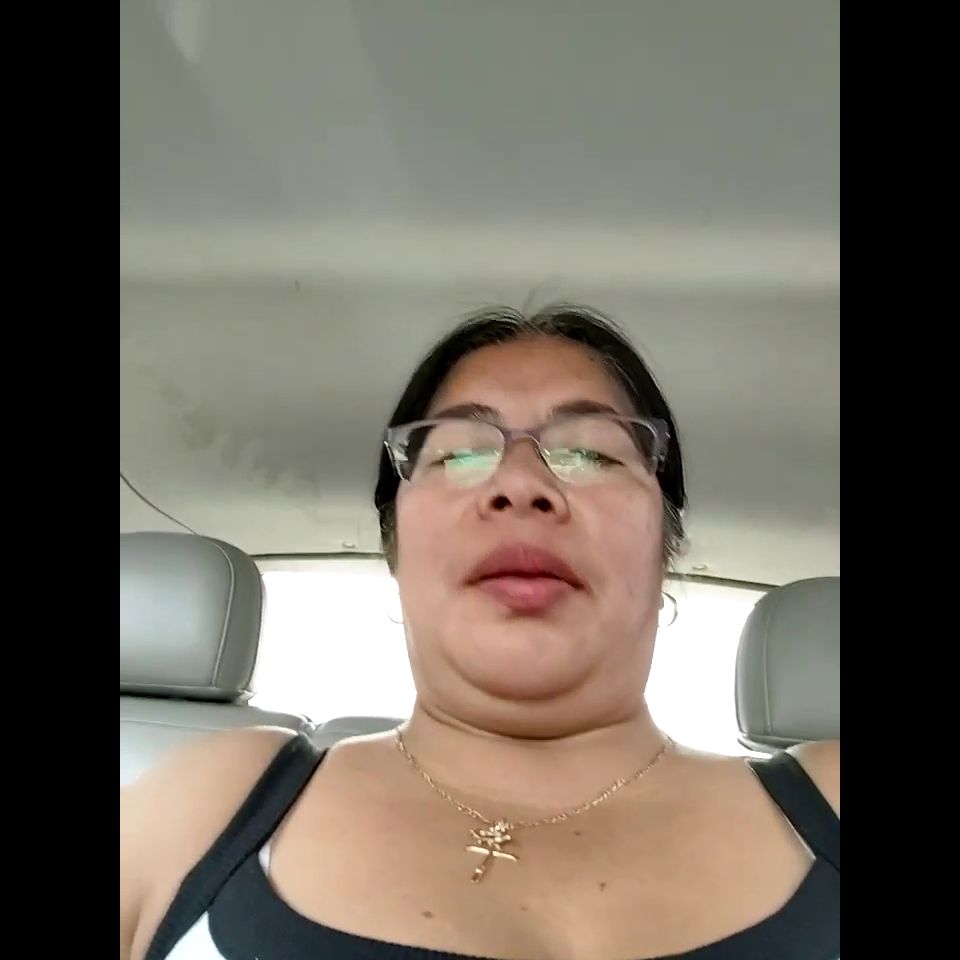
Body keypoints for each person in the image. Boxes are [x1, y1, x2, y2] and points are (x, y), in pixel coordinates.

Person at [120, 304, 840, 960]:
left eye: (592, 452)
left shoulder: (829, 801)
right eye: (457, 453)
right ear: (396, 550)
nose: (519, 484)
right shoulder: (207, 804)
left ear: (665, 548)